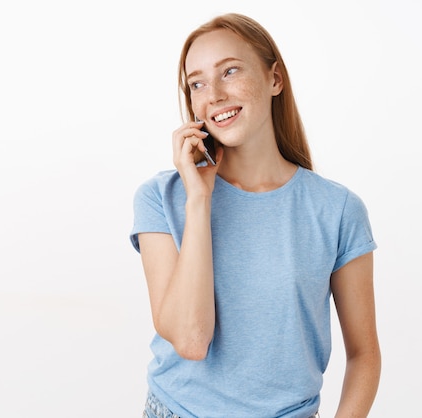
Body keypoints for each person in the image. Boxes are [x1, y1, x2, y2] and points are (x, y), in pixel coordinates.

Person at [130, 13, 381, 418]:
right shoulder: (162, 198)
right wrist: (198, 198)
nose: (213, 94)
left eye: (229, 71)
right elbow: (192, 341)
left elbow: (364, 355)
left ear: (275, 79)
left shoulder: (337, 211)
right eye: (197, 83)